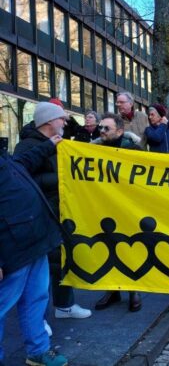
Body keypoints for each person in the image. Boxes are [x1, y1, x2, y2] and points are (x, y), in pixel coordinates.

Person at [14, 103, 92, 326]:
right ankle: (38, 319)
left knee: (61, 260)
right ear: (48, 122)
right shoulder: (27, 146)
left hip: (58, 211)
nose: (66, 123)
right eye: (62, 119)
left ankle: (64, 306)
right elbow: (22, 180)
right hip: (39, 215)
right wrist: (61, 182)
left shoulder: (59, 143)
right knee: (40, 269)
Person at [1, 135, 68, 366]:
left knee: (36, 298)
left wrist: (50, 143)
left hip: (34, 242)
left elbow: (26, 160)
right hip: (11, 251)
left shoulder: (6, 159)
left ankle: (38, 351)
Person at [91, 113, 142, 312]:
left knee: (130, 247)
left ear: (120, 131)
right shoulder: (93, 150)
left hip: (128, 207)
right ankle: (112, 290)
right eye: (100, 128)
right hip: (104, 206)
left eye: (106, 128)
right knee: (107, 246)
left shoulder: (134, 149)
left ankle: (133, 290)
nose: (101, 131)